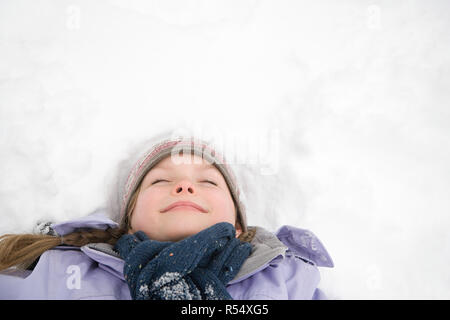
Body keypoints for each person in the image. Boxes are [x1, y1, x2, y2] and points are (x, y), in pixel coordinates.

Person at [0, 133, 334, 299]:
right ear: (129, 220)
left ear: (237, 226)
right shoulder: (62, 273)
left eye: (207, 181)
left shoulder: (287, 278)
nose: (186, 187)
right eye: (161, 180)